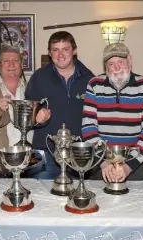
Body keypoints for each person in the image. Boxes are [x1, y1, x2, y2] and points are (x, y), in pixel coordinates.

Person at [82, 43, 143, 182]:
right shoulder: (94, 85)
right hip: (102, 164)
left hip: (136, 165)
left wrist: (129, 165)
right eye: (111, 63)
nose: (116, 68)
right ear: (106, 66)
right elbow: (88, 128)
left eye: (121, 62)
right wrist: (103, 162)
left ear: (130, 61)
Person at [25, 31, 94, 179]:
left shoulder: (90, 79)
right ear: (49, 53)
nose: (60, 55)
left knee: (75, 200)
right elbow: (26, 117)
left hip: (77, 155)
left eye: (65, 49)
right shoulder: (38, 77)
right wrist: (35, 118)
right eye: (55, 50)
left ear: (74, 51)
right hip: (43, 154)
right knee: (41, 199)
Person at [0, 46, 50, 176]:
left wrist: (41, 120)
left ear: (22, 64)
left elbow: (40, 124)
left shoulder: (33, 89)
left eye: (16, 60)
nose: (11, 65)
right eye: (6, 61)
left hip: (30, 165)